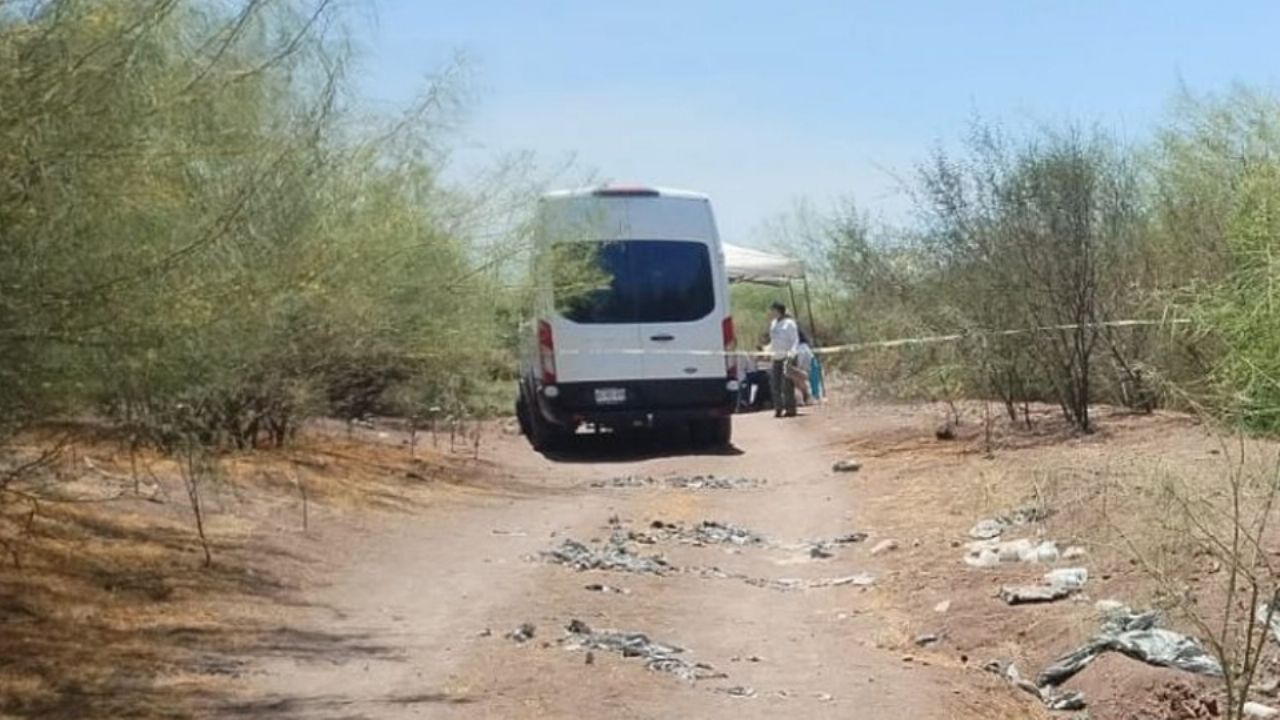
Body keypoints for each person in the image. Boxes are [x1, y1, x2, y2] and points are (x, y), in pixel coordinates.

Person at [767, 301, 799, 417]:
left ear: (779, 310)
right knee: (775, 383)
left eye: (774, 310)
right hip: (776, 357)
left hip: (787, 356)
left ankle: (790, 408)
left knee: (787, 384)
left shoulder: (789, 323)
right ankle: (778, 408)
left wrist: (792, 354)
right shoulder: (773, 323)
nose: (772, 312)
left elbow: (795, 339)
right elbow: (773, 340)